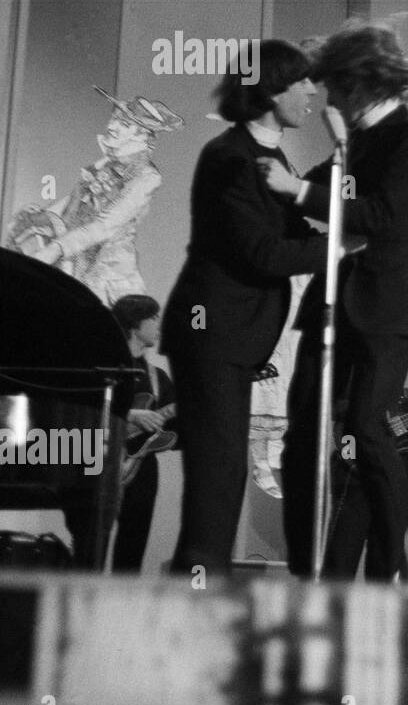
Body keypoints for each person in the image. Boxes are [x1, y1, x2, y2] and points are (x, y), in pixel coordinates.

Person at [262, 22, 408, 582]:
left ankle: (390, 555)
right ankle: (303, 572)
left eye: (333, 87)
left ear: (358, 81)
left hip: (384, 310)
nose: (328, 100)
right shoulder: (350, 147)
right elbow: (296, 203)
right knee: (301, 435)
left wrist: (303, 194)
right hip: (330, 305)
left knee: (366, 427)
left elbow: (389, 219)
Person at [163, 42, 327, 577]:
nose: (311, 92)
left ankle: (201, 581)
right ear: (272, 88)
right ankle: (196, 589)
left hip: (234, 336)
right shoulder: (229, 156)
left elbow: (294, 228)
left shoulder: (272, 155)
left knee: (224, 466)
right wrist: (343, 243)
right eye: (301, 82)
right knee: (218, 469)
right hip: (212, 332)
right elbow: (264, 252)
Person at [7, 89, 182, 305]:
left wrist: (56, 249)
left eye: (124, 124)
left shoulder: (147, 177)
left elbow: (104, 226)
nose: (111, 126)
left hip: (108, 275)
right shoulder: (104, 165)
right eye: (114, 118)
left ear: (142, 136)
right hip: (73, 261)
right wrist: (41, 218)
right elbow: (73, 203)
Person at [109, 294, 176, 572]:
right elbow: (85, 408)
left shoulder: (158, 377)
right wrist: (131, 415)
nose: (159, 324)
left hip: (143, 469)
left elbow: (175, 434)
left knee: (132, 550)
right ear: (134, 324)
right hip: (100, 460)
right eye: (153, 318)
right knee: (91, 544)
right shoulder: (106, 367)